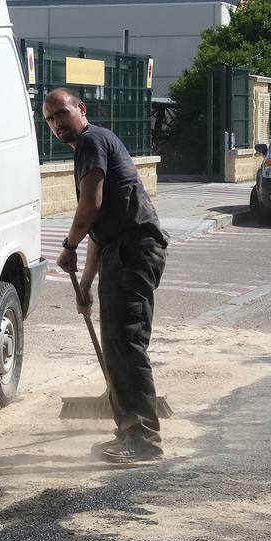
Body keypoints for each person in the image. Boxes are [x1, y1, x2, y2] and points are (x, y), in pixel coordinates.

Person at [43, 87, 169, 463]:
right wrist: (85, 284)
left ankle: (144, 441)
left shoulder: (91, 141)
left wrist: (67, 246)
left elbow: (90, 205)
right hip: (123, 250)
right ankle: (129, 431)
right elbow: (98, 227)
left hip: (133, 250)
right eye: (50, 119)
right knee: (117, 345)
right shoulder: (93, 145)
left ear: (81, 109)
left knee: (126, 345)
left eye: (62, 113)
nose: (57, 124)